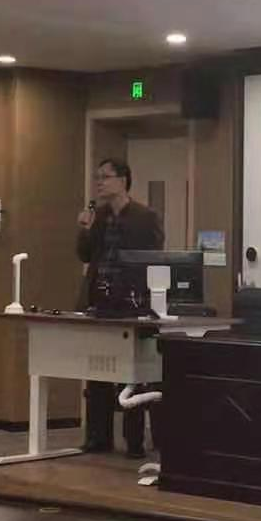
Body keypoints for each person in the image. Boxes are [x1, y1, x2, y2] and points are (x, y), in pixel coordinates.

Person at [75, 157, 164, 456]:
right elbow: (85, 255)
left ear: (123, 180)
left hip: (131, 304)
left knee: (131, 373)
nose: (99, 182)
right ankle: (97, 437)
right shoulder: (98, 216)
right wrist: (84, 229)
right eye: (97, 177)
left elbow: (154, 258)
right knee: (97, 369)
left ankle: (134, 441)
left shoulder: (145, 216)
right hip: (100, 301)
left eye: (105, 176)